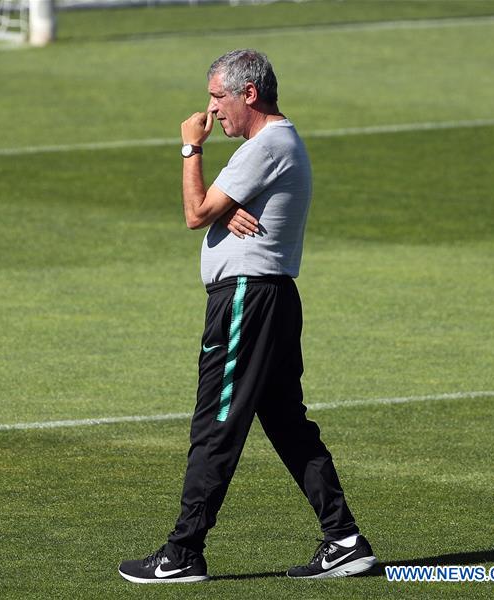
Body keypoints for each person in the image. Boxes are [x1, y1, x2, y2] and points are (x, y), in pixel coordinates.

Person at [118, 49, 377, 584]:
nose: (211, 110)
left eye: (218, 97)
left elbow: (195, 213)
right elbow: (216, 210)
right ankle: (345, 539)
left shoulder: (265, 145)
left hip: (246, 299)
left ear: (249, 93)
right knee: (286, 422)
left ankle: (183, 551)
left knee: (216, 422)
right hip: (270, 298)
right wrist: (227, 209)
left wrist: (190, 148)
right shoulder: (275, 146)